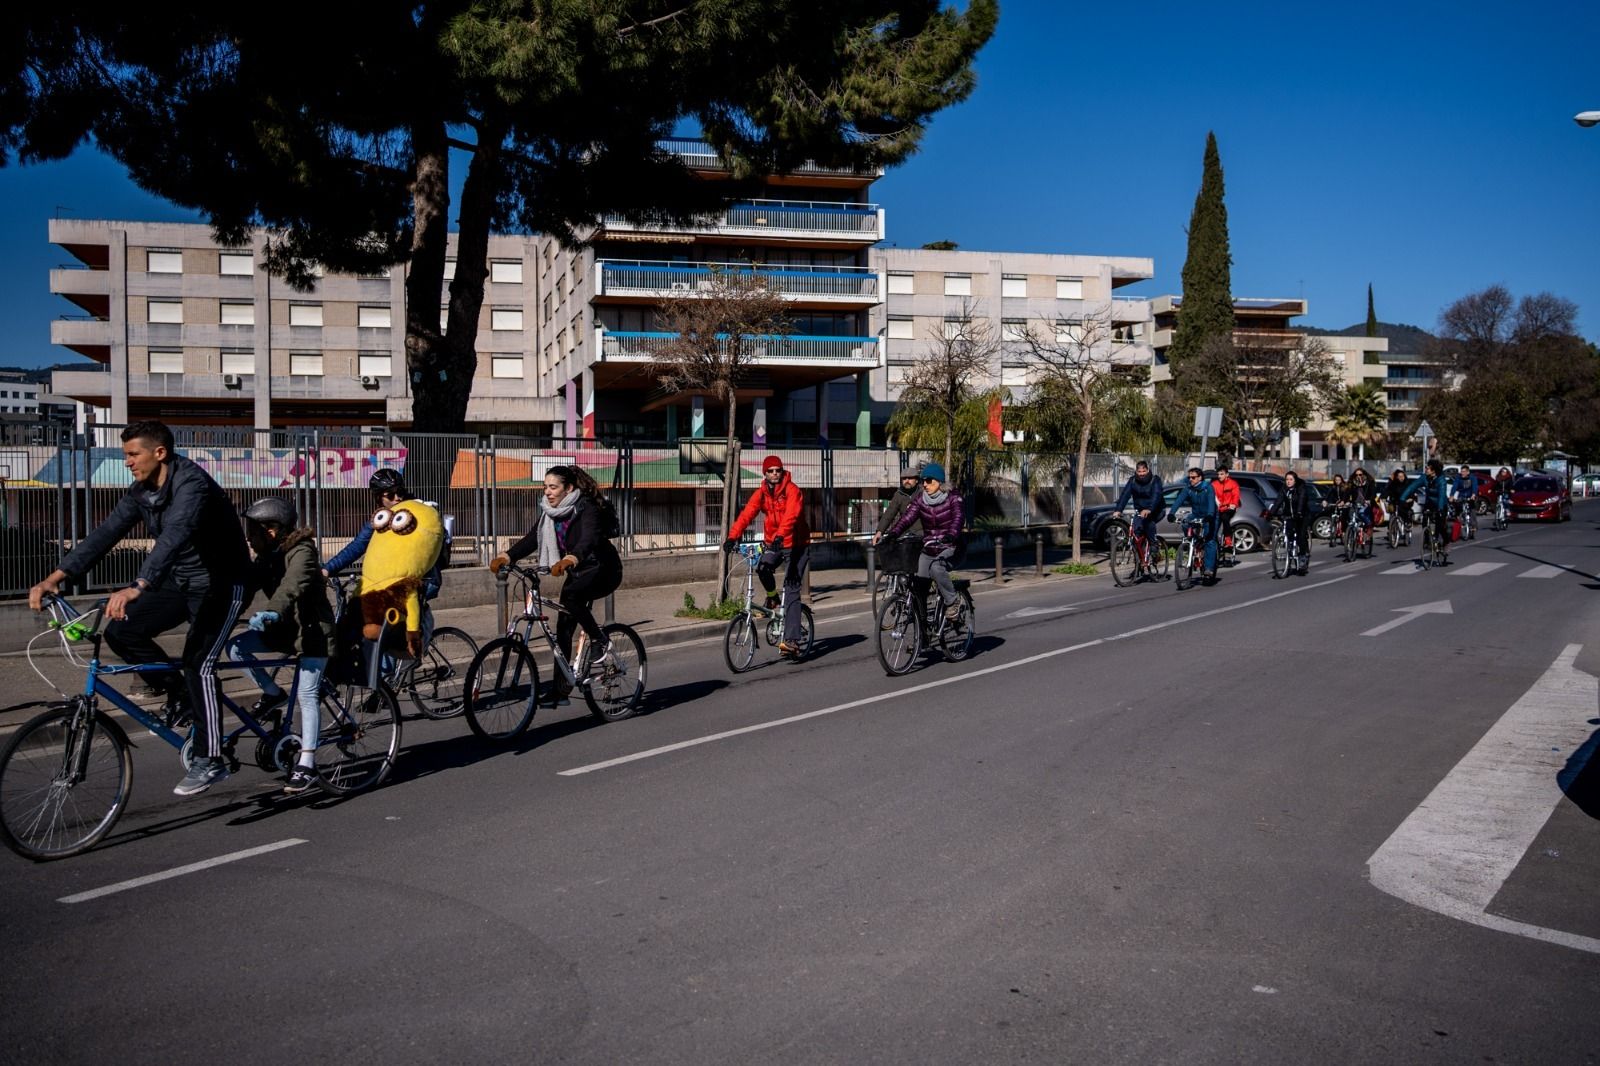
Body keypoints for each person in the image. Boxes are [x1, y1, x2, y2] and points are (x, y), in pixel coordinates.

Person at [28, 420, 249, 797]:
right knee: (122, 632)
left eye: (133, 454)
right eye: (125, 455)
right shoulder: (141, 492)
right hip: (181, 583)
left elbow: (175, 534)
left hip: (222, 585)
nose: (127, 462)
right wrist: (57, 576)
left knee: (200, 662)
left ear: (159, 452)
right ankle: (179, 694)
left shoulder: (192, 485)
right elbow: (106, 533)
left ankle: (210, 758)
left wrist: (139, 585)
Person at [226, 497, 336, 795]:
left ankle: (307, 764)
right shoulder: (265, 559)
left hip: (313, 633)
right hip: (285, 631)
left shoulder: (302, 551)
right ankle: (273, 694)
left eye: (253, 531)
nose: (248, 537)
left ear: (272, 530)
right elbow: (245, 592)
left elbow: (293, 585)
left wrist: (274, 609)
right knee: (235, 648)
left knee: (307, 694)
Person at [492, 465, 623, 704]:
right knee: (563, 627)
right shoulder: (549, 512)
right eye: (545, 487)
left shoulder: (586, 507)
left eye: (553, 487)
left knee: (572, 599)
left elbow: (590, 538)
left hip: (602, 569)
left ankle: (600, 640)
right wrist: (508, 556)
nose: (548, 492)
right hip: (578, 572)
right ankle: (560, 691)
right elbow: (534, 538)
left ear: (569, 488)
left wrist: (572, 557)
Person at [721, 455, 811, 657]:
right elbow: (747, 514)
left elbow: (792, 515)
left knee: (792, 587)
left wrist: (780, 535)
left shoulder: (792, 490)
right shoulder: (762, 493)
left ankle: (792, 641)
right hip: (776, 543)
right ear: (765, 473)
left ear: (782, 471)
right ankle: (772, 599)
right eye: (770, 471)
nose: (775, 474)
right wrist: (732, 537)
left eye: (777, 470)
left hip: (797, 545)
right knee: (762, 567)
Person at [324, 468, 446, 601]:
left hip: (423, 581)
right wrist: (327, 569)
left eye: (400, 492)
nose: (397, 498)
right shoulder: (381, 521)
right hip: (388, 582)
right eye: (390, 495)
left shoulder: (418, 511)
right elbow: (357, 546)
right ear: (378, 498)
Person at [875, 462, 965, 629]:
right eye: (923, 481)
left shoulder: (954, 498)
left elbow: (958, 519)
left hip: (951, 547)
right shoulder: (921, 500)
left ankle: (953, 602)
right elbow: (907, 517)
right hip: (930, 547)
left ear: (939, 482)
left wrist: (951, 535)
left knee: (937, 568)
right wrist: (893, 534)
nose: (925, 484)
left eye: (929, 481)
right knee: (918, 583)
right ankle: (922, 630)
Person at [1168, 466, 1219, 580]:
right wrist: (1171, 513)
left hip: (1210, 515)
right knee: (1185, 523)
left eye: (1193, 477)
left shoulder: (1208, 488)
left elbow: (1211, 502)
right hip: (1196, 514)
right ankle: (1193, 543)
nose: (1191, 479)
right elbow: (1179, 500)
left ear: (1200, 478)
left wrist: (1210, 515)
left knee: (1210, 540)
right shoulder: (1188, 488)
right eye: (1189, 477)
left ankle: (1209, 569)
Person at [874, 468, 924, 576]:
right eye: (904, 478)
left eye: (910, 478)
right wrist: (879, 531)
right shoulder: (899, 494)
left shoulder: (923, 492)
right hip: (905, 533)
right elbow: (889, 513)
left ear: (916, 480)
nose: (907, 481)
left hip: (922, 532)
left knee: (920, 566)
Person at [1112, 460, 1165, 550]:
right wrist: (1118, 510)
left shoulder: (1155, 480)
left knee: (1148, 523)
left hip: (1156, 510)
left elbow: (1156, 496)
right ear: (1136, 471)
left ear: (1148, 470)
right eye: (1139, 472)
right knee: (1136, 530)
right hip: (1140, 511)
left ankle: (1154, 545)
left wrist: (1149, 509)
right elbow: (1125, 495)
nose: (1141, 474)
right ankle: (1140, 558)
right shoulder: (1132, 481)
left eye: (1143, 471)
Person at [1269, 470, 1314, 574]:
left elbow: (1302, 500)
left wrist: (1299, 512)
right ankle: (1288, 556)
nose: (1288, 481)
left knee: (1301, 536)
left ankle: (1303, 557)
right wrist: (1271, 513)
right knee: (1288, 534)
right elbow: (1278, 501)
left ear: (1295, 480)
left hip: (1302, 516)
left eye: (1291, 479)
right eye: (1287, 479)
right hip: (1289, 515)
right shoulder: (1284, 489)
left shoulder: (1301, 488)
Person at [1417, 458, 1452, 565]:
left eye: (1427, 468)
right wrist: (1402, 499)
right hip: (1430, 504)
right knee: (1425, 519)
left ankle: (1446, 542)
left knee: (1440, 525)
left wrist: (1440, 509)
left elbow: (1441, 496)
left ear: (1434, 470)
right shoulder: (1425, 478)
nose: (1426, 469)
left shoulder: (1441, 480)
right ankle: (1427, 541)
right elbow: (1412, 487)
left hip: (1441, 505)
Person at [1212, 463, 1241, 565]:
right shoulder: (1214, 484)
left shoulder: (1233, 484)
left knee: (1225, 517)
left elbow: (1236, 496)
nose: (1219, 476)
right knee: (1213, 526)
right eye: (1218, 474)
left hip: (1229, 508)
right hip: (1218, 508)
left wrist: (1233, 504)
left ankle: (1228, 539)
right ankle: (1214, 548)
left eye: (1222, 474)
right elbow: (1211, 496)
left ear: (1227, 474)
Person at [1452, 464, 1479, 540]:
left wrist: (1473, 494)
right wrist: (1451, 495)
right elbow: (1454, 486)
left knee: (1472, 510)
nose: (1462, 473)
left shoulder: (1472, 478)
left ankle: (1473, 526)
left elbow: (1475, 486)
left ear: (1468, 472)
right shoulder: (1458, 478)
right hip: (1462, 495)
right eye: (1461, 471)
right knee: (1458, 507)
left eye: (1464, 471)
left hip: (1471, 495)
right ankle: (1459, 522)